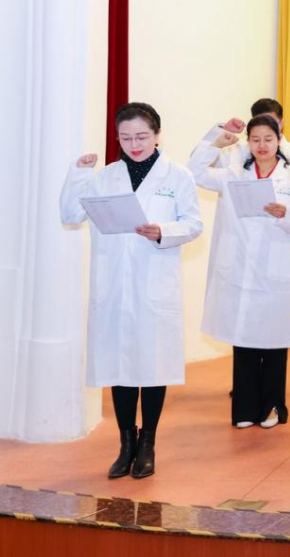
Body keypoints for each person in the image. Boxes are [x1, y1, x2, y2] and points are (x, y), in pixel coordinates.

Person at [60, 102, 203, 479]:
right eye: (125, 138)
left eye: (141, 136)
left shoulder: (178, 176)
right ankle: (126, 444)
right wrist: (78, 174)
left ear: (157, 135)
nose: (134, 145)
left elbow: (193, 223)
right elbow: (70, 214)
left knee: (153, 366)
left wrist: (163, 231)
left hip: (155, 282)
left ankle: (148, 444)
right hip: (114, 286)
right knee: (119, 365)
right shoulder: (105, 176)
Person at [189, 115, 290, 429]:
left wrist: (285, 214)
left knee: (273, 342)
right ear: (248, 142)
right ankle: (244, 410)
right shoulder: (234, 174)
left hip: (275, 271)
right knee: (243, 339)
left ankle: (272, 408)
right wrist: (218, 137)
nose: (262, 146)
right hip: (241, 269)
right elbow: (195, 172)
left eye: (268, 139)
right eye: (255, 139)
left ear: (279, 141)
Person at [196, 98, 290, 175]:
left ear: (281, 123)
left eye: (271, 122)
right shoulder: (233, 151)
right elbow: (196, 164)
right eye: (260, 122)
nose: (265, 128)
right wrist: (223, 131)